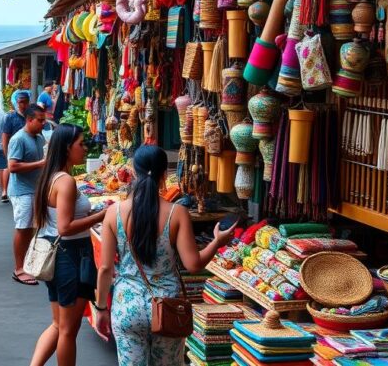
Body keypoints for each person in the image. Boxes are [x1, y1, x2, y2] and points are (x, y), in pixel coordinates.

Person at [93, 145, 236, 365]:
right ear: (164, 175)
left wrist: (101, 308)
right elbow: (193, 264)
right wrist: (217, 242)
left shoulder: (113, 213)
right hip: (167, 306)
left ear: (134, 171)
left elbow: (105, 269)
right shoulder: (177, 213)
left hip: (127, 305)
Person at [28, 124, 109, 366]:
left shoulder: (51, 178)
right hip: (71, 256)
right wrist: (102, 215)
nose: (85, 149)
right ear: (66, 148)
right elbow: (65, 226)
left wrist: (91, 212)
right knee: (68, 330)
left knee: (59, 324)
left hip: (60, 254)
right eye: (81, 144)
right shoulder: (66, 182)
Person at [7, 104, 46, 286]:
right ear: (29, 120)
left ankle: (27, 265)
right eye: (40, 120)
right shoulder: (18, 139)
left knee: (30, 229)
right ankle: (19, 269)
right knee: (23, 229)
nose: (43, 123)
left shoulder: (38, 138)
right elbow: (12, 167)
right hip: (22, 191)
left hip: (34, 189)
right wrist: (40, 164)